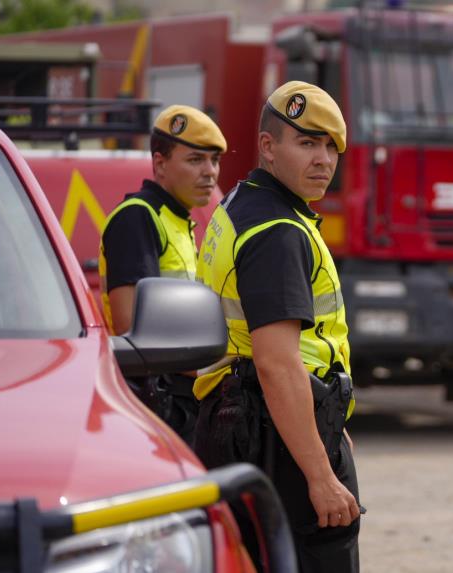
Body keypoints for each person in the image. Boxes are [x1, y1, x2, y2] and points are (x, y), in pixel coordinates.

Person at [194, 81, 360, 572]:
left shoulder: (241, 205)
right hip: (274, 440)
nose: (323, 160)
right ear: (268, 147)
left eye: (331, 147)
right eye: (307, 143)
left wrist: (332, 427)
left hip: (248, 425)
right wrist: (320, 475)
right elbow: (276, 364)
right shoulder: (278, 232)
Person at [99, 104, 226, 445]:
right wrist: (215, 368)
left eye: (215, 160)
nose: (210, 172)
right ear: (160, 164)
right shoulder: (138, 217)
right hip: (155, 404)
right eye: (195, 160)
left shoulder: (180, 221)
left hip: (181, 400)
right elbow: (131, 329)